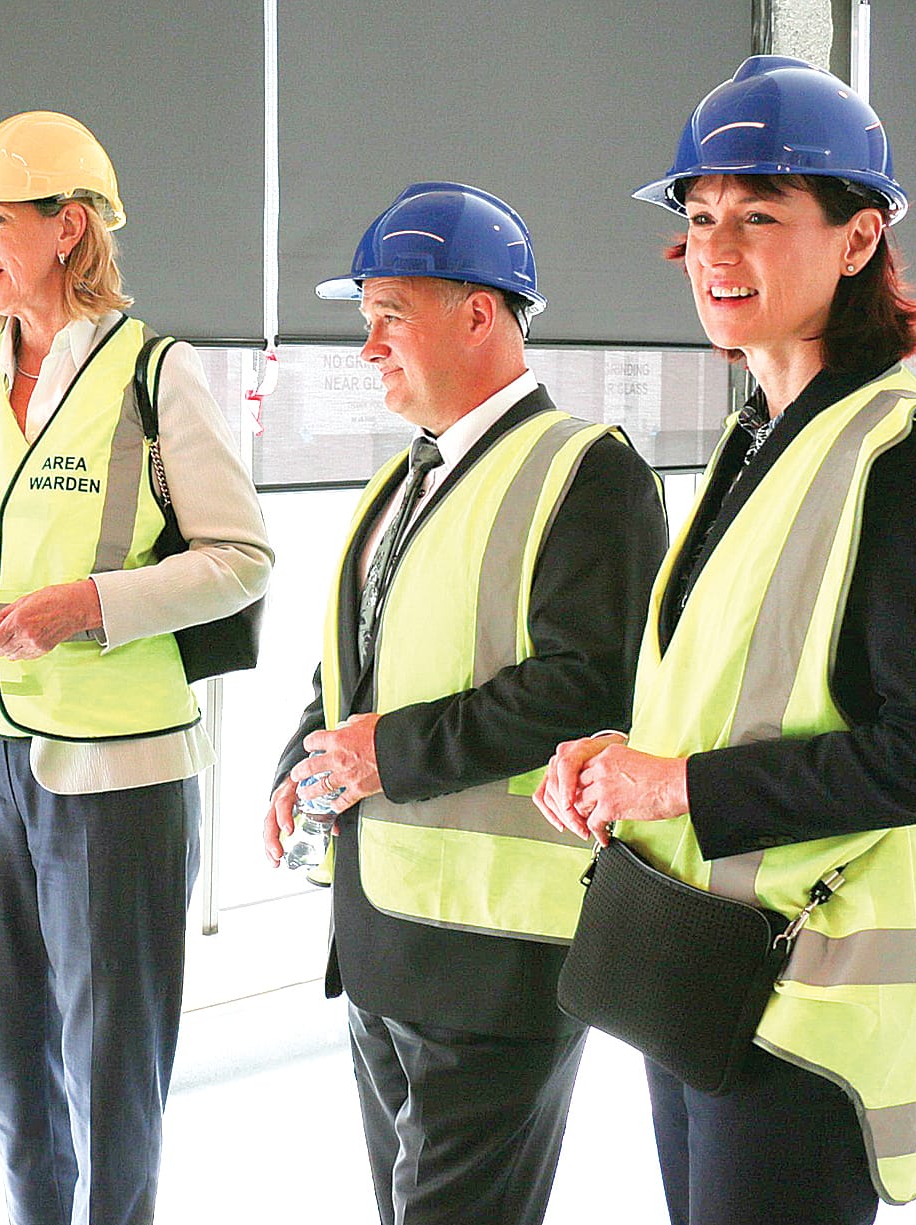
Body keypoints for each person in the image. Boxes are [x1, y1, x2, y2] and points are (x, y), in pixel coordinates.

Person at [536, 56, 916, 1224]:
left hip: (811, 1006)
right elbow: (737, 692)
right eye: (697, 219)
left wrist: (675, 781)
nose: (715, 249)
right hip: (699, 975)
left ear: (857, 242)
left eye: (758, 215)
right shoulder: (754, 440)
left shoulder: (906, 455)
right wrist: (622, 755)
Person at [262, 182, 668, 1225]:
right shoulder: (404, 480)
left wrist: (381, 755)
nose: (366, 348)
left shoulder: (585, 470)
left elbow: (585, 688)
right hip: (383, 941)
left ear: (478, 312)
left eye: (388, 315)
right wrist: (297, 763)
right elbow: (357, 669)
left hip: (496, 957)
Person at [0, 110, 271, 1225]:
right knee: (14, 1069)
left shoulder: (155, 373)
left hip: (112, 778)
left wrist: (88, 608)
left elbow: (240, 557)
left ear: (68, 228)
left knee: (111, 1074)